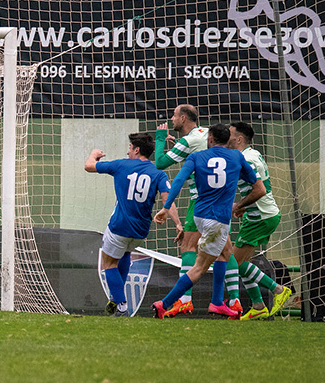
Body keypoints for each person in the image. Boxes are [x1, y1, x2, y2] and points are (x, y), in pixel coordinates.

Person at [152, 123, 265, 319]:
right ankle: (165, 303)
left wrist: (165, 207)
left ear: (210, 139)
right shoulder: (237, 156)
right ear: (227, 140)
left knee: (225, 253)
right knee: (200, 268)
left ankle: (218, 302)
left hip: (199, 214)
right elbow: (258, 187)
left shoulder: (196, 156)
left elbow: (178, 180)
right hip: (218, 218)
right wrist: (241, 204)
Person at [84, 133, 180, 316]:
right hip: (140, 231)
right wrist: (177, 223)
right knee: (125, 253)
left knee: (108, 264)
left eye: (129, 148)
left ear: (137, 150)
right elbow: (168, 199)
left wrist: (94, 154)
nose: (127, 152)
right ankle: (116, 297)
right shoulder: (158, 173)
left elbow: (88, 166)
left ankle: (121, 305)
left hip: (120, 226)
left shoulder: (121, 165)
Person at [152, 103, 213, 317]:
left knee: (188, 246)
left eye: (174, 115)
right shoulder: (206, 133)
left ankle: (185, 300)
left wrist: (160, 138)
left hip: (200, 200)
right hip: (219, 198)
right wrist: (178, 144)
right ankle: (233, 301)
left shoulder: (188, 141)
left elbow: (160, 163)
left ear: (184, 118)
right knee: (225, 251)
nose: (171, 118)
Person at [227, 122, 293, 320]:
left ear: (239, 139)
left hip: (261, 217)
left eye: (230, 134)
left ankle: (278, 289)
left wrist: (238, 205)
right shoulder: (252, 154)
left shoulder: (246, 159)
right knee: (243, 263)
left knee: (235, 263)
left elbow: (260, 190)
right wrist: (245, 207)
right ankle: (258, 306)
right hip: (261, 214)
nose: (227, 137)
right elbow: (259, 189)